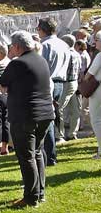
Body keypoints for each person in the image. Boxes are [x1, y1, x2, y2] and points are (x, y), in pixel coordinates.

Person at [0, 31, 54, 207]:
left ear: (16, 46)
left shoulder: (18, 63)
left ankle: (31, 197)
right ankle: (39, 192)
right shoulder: (41, 59)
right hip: (45, 114)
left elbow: (2, 83)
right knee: (37, 152)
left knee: (26, 156)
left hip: (25, 115)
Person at [38, 17, 70, 166]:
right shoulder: (63, 44)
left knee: (47, 119)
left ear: (42, 30)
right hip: (61, 82)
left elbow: (41, 66)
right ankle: (50, 153)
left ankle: (49, 156)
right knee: (52, 117)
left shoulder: (44, 45)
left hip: (48, 82)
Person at [56, 35, 80, 142]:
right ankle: (72, 133)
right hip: (74, 82)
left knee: (59, 109)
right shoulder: (77, 54)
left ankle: (59, 135)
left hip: (66, 83)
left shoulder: (66, 54)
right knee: (75, 109)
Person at [84, 31, 101, 159]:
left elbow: (89, 75)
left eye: (97, 40)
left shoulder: (100, 56)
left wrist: (84, 80)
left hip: (98, 89)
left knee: (96, 120)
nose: (94, 43)